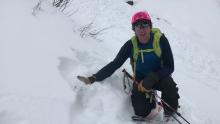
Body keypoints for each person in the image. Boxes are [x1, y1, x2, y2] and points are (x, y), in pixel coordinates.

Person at [78, 11, 180, 119]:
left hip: (159, 77)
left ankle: (170, 115)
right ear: (134, 29)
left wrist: (154, 77)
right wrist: (95, 77)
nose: (141, 29)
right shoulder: (131, 45)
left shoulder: (160, 40)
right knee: (141, 112)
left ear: (150, 26)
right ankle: (151, 100)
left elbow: (170, 66)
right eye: (137, 25)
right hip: (140, 81)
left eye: (145, 24)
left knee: (169, 85)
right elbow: (115, 63)